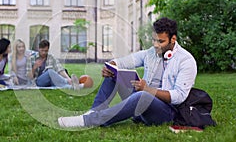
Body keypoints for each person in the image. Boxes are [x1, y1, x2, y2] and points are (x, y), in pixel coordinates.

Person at [58, 17, 197, 127]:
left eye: (160, 41)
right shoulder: (151, 53)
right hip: (141, 103)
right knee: (114, 74)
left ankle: (89, 121)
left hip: (166, 112)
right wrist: (111, 66)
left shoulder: (186, 61)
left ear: (173, 39)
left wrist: (148, 90)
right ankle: (94, 111)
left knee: (142, 95)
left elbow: (178, 97)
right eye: (154, 40)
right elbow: (126, 61)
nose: (156, 45)